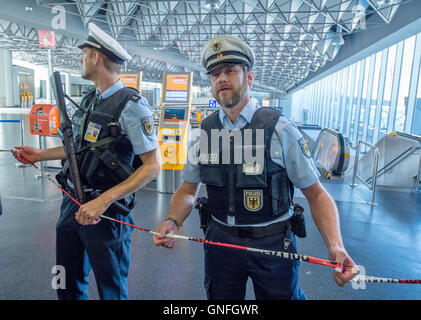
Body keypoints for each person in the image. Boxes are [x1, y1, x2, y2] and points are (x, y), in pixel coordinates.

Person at [153, 35, 358, 299]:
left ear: (249, 77)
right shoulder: (204, 133)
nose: (221, 79)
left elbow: (316, 193)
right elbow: (188, 189)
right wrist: (173, 220)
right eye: (215, 74)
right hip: (220, 243)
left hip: (273, 245)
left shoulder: (280, 129)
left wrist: (336, 245)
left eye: (230, 71)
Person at [12, 23, 161, 300]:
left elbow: (153, 166)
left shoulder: (133, 105)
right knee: (66, 281)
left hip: (108, 211)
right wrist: (39, 154)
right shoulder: (89, 99)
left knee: (111, 287)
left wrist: (102, 201)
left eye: (84, 54)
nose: (81, 59)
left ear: (95, 57)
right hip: (72, 204)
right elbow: (78, 148)